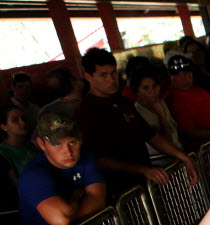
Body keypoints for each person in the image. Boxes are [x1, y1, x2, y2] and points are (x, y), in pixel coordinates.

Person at [77, 48, 198, 198]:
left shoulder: (123, 102)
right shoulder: (87, 110)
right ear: (89, 76)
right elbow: (100, 159)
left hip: (145, 180)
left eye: (113, 73)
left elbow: (150, 135)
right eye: (103, 75)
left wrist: (183, 156)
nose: (111, 79)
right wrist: (142, 169)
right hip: (120, 189)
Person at [16, 112, 105, 225]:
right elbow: (62, 218)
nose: (68, 151)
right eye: (57, 144)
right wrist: (78, 196)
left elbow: (98, 199)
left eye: (72, 142)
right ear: (42, 144)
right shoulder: (33, 175)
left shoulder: (85, 155)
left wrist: (68, 224)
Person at [131, 65, 183, 156]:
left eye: (155, 86)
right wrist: (161, 115)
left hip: (178, 155)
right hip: (162, 160)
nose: (152, 91)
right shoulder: (139, 112)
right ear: (137, 91)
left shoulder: (161, 103)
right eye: (146, 88)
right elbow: (166, 142)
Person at [0, 104, 36, 175]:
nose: (23, 122)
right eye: (15, 120)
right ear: (4, 127)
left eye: (23, 118)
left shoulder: (29, 144)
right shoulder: (2, 153)